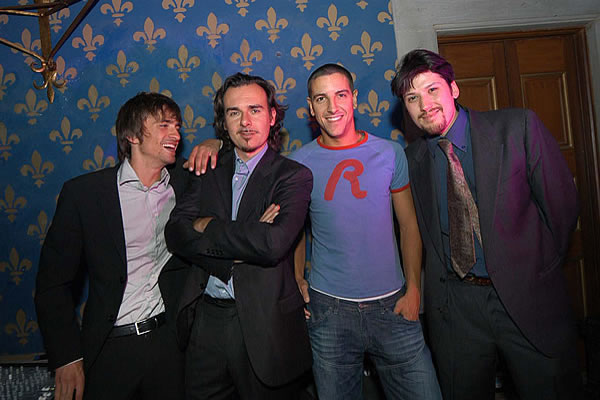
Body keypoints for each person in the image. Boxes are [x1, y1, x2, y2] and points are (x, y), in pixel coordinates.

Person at [186, 64, 442, 400]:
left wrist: (414, 290)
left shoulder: (390, 153)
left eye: (340, 95)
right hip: (328, 312)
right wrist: (297, 279)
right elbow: (294, 231)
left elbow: (409, 225)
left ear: (354, 99)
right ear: (310, 107)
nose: (332, 107)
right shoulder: (297, 165)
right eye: (321, 98)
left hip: (393, 307)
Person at [391, 49, 581, 400]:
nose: (424, 105)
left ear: (454, 88)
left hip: (526, 299)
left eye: (432, 90)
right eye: (412, 98)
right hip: (456, 309)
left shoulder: (517, 128)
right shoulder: (411, 160)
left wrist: (536, 269)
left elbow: (562, 209)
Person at [164, 72, 313, 399]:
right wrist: (242, 247)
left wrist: (208, 224)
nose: (245, 122)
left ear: (272, 116)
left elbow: (272, 244)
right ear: (224, 122)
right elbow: (175, 233)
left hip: (267, 323)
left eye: (254, 110)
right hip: (206, 320)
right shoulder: (207, 168)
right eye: (234, 112)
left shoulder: (293, 176)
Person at [35, 92, 190, 400]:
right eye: (164, 125)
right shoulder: (85, 195)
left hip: (169, 344)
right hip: (109, 347)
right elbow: (53, 285)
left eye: (177, 126)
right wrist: (66, 357)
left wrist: (216, 144)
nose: (175, 134)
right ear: (132, 135)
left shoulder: (185, 183)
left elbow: (233, 160)